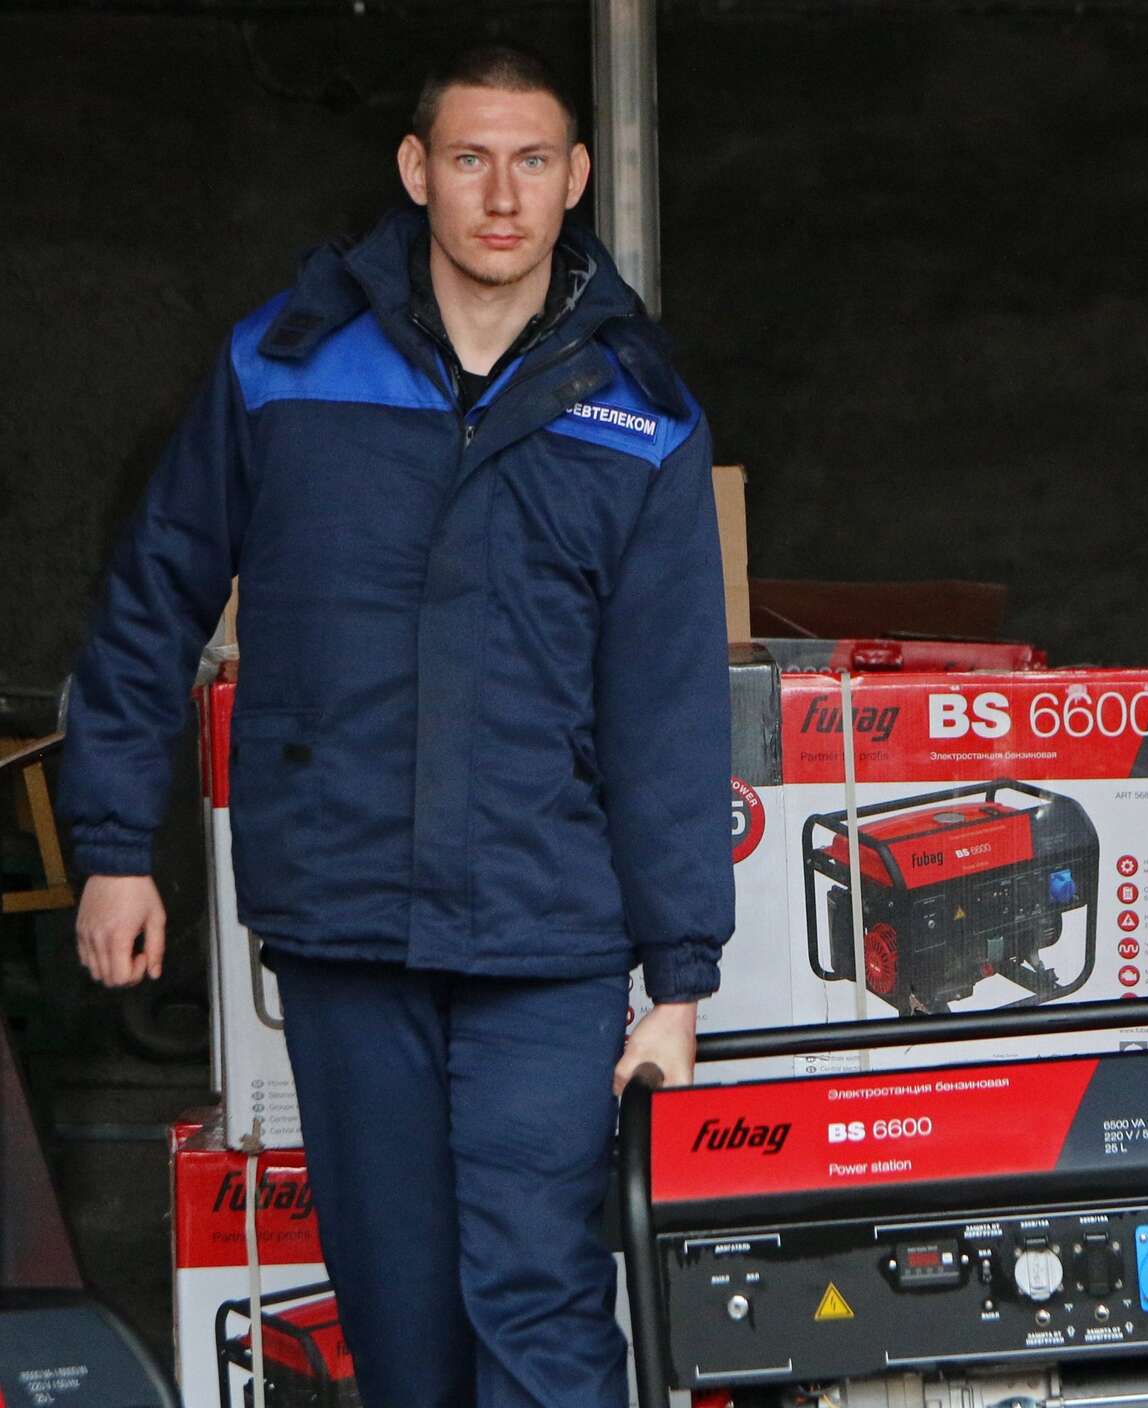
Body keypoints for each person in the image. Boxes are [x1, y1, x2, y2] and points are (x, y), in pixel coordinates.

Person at [59, 44, 732, 1408]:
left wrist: (678, 982)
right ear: (417, 170)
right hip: (348, 914)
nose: (503, 195)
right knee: (399, 1311)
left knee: (539, 1291)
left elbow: (667, 711)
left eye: (532, 162)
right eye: (471, 159)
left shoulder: (641, 415)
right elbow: (153, 595)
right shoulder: (285, 366)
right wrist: (116, 845)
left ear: (578, 178)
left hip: (546, 932)